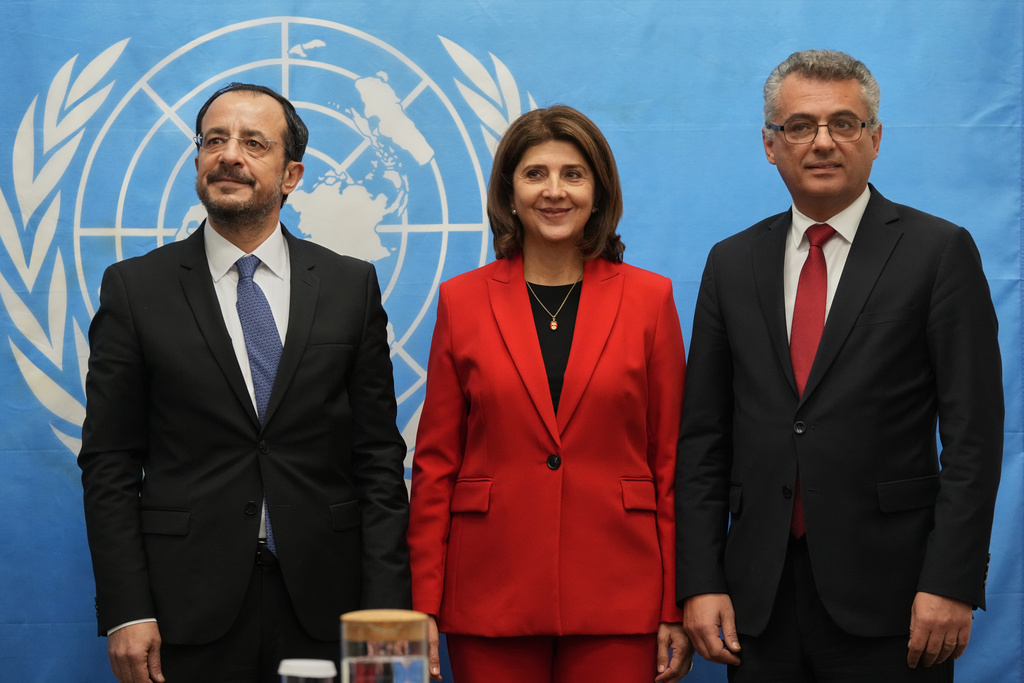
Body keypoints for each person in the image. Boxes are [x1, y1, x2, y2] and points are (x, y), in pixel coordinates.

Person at [676, 49, 1004, 681]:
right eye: (800, 126)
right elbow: (703, 440)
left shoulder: (939, 252)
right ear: (770, 144)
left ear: (875, 138)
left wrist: (951, 581)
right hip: (757, 601)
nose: (822, 142)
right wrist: (700, 579)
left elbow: (975, 438)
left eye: (844, 124)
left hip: (897, 598)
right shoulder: (731, 263)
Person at [79, 82, 412, 683]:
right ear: (198, 161)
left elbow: (378, 460)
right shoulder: (135, 289)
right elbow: (110, 461)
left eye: (254, 143)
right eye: (214, 140)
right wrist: (127, 609)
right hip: (185, 608)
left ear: (291, 175)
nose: (229, 155)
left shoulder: (350, 286)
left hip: (330, 602)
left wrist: (387, 615)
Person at [407, 105, 693, 683]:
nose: (554, 191)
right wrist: (423, 605)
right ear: (509, 193)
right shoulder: (461, 301)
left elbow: (671, 461)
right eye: (535, 173)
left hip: (620, 590)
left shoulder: (650, 300)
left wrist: (674, 604)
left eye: (573, 174)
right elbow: (436, 465)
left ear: (598, 192)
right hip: (489, 591)